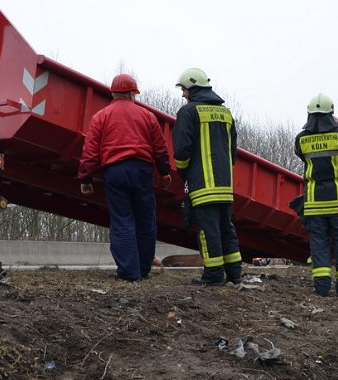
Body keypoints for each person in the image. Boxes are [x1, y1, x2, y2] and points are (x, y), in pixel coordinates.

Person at [78, 73, 172, 282]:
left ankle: (130, 273)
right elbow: (160, 148)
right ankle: (143, 269)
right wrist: (164, 172)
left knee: (122, 221)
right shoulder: (146, 116)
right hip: (141, 171)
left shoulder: (100, 116)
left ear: (113, 93)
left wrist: (86, 178)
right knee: (145, 221)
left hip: (114, 171)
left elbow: (90, 150)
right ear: (131, 93)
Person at [172, 68, 242, 286]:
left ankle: (212, 276)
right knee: (226, 228)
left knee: (208, 230)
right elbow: (233, 152)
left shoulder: (188, 112)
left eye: (184, 89)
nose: (183, 94)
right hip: (224, 185)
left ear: (192, 88)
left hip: (202, 184)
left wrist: (184, 174)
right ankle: (234, 274)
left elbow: (182, 151)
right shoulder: (226, 113)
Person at [294, 93, 338, 297]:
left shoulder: (301, 139)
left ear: (309, 115)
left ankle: (322, 288)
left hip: (315, 203)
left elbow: (300, 154)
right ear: (330, 114)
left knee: (319, 245)